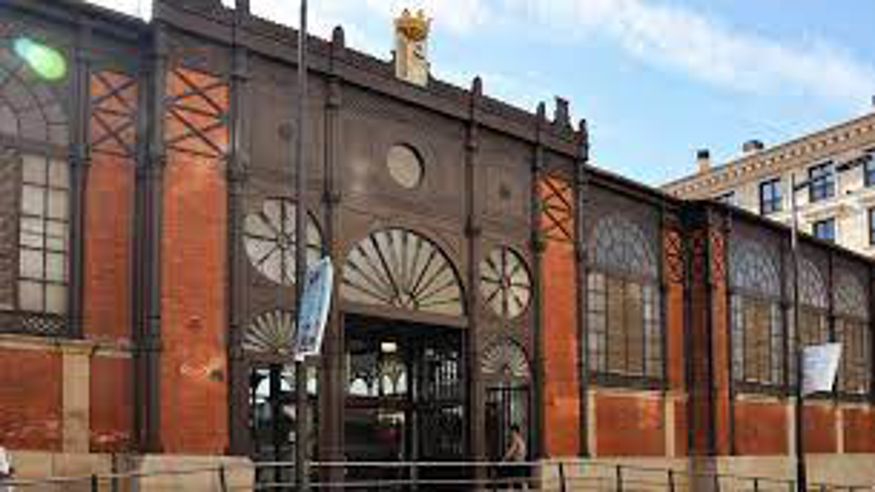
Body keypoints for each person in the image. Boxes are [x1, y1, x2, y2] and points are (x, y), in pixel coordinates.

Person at [501, 424, 527, 490]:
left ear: (515, 432)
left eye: (511, 432)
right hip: (519, 462)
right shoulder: (521, 440)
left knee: (514, 479)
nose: (510, 434)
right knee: (517, 480)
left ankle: (511, 489)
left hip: (517, 463)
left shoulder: (516, 440)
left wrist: (503, 460)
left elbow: (511, 451)